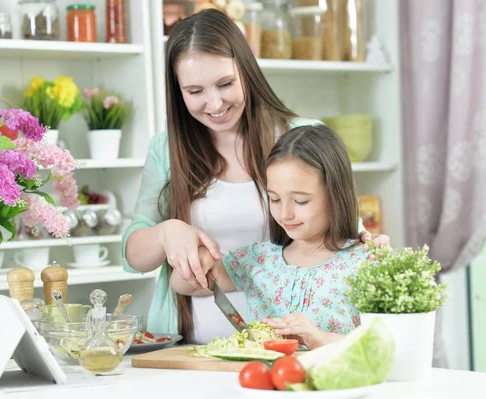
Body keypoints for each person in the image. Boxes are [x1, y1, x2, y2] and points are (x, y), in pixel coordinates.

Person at [121, 9, 389, 343]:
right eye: (195, 91)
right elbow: (134, 258)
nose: (214, 103)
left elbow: (346, 231)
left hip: (294, 349)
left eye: (225, 83)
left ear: (247, 72)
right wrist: (167, 233)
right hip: (192, 349)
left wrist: (372, 247)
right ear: (178, 92)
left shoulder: (302, 138)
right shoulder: (167, 149)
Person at [171, 125, 365, 349]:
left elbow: (387, 343)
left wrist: (323, 339)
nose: (285, 214)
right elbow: (182, 285)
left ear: (335, 193)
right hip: (263, 381)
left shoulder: (363, 261)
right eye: (274, 199)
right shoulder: (260, 260)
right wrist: (199, 260)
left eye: (301, 201)